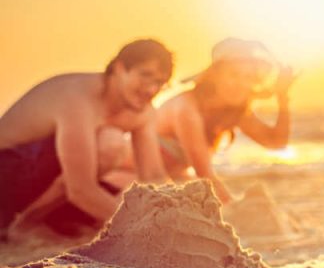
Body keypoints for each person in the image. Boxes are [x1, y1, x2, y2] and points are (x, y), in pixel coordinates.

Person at [0, 39, 174, 236]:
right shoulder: (78, 96)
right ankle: (23, 223)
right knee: (111, 143)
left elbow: (153, 176)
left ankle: (40, 218)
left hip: (50, 183)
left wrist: (177, 210)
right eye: (145, 75)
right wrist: (143, 227)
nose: (151, 89)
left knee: (125, 197)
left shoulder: (143, 111)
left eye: (159, 82)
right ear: (119, 68)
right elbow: (80, 190)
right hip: (9, 171)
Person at [101, 38, 297, 204]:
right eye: (234, 75)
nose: (241, 83)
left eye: (248, 77)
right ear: (215, 75)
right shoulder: (186, 108)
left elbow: (276, 142)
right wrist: (236, 214)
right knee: (183, 194)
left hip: (163, 180)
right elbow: (206, 176)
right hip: (116, 178)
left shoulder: (234, 110)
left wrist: (282, 98)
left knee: (184, 190)